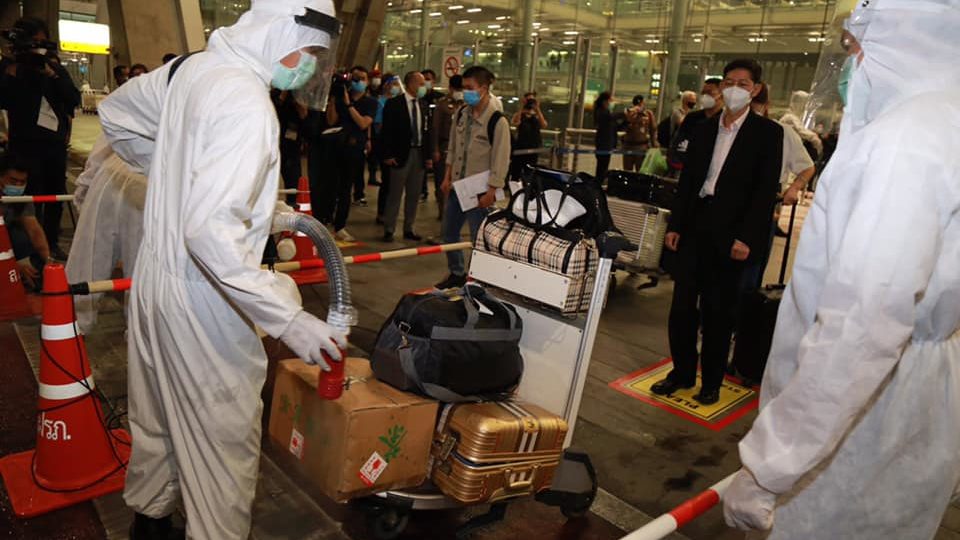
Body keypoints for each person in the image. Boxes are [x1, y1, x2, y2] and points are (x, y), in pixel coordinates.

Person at [97, 2, 347, 538]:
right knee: (222, 446)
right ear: (280, 31)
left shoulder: (192, 69)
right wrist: (289, 319)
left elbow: (116, 114)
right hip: (205, 298)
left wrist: (184, 180)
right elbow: (210, 234)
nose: (308, 65)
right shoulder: (247, 103)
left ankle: (150, 524)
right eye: (308, 50)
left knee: (157, 418)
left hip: (155, 282)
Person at [723, 3, 960, 538]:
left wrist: (768, 469)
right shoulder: (949, 123)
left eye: (855, 50)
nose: (851, 67)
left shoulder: (906, 142)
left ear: (904, 42)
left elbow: (862, 326)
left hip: (860, 425)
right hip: (920, 407)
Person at [652, 58, 783, 405]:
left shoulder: (768, 133)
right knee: (682, 307)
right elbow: (688, 181)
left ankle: (711, 380)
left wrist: (747, 238)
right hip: (695, 224)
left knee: (718, 311)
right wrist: (676, 225)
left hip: (731, 233)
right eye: (729, 83)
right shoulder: (705, 127)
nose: (734, 89)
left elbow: (764, 192)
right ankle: (682, 372)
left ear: (755, 89)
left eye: (743, 83)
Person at [0, 17, 81, 261]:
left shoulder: (53, 67)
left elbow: (73, 99)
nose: (37, 48)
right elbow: (4, 99)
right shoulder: (10, 67)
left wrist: (53, 74)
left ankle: (51, 242)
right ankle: (25, 247)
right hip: (24, 146)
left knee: (55, 196)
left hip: (54, 146)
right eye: (33, 42)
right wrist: (12, 70)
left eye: (41, 42)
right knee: (26, 200)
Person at [435, 65, 510, 290]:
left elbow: (501, 159)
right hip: (458, 187)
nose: (465, 92)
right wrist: (447, 176)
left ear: (484, 89)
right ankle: (457, 272)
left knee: (479, 238)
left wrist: (492, 191)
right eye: (464, 88)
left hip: (480, 191)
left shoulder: (497, 121)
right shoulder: (461, 114)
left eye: (470, 88)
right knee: (449, 233)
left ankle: (476, 279)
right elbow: (453, 148)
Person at [739, 82, 815, 291]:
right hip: (731, 202)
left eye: (756, 104)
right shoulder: (728, 128)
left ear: (766, 105)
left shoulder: (782, 131)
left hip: (764, 204)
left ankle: (741, 306)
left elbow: (807, 167)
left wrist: (794, 188)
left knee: (750, 268)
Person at [325, 64, 376, 240]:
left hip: (354, 149)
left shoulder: (370, 102)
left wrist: (348, 105)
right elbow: (331, 121)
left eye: (362, 79)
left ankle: (340, 225)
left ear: (367, 82)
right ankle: (326, 220)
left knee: (346, 189)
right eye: (355, 78)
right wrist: (333, 99)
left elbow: (363, 123)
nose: (358, 82)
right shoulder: (340, 98)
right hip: (335, 147)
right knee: (330, 186)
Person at [380, 70, 432, 242]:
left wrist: (428, 156)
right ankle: (389, 228)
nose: (423, 87)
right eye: (421, 83)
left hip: (419, 153)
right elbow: (387, 131)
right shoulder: (394, 104)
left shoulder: (423, 105)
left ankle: (409, 227)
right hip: (400, 153)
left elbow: (427, 132)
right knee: (395, 193)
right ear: (410, 84)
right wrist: (387, 154)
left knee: (414, 194)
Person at [0, 154, 49, 291]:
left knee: (20, 235)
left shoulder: (22, 199)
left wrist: (49, 263)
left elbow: (34, 231)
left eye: (22, 182)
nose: (18, 186)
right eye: (13, 181)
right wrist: (13, 267)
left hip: (9, 245)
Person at [668, 77, 723, 174]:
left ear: (722, 94)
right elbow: (680, 142)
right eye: (703, 93)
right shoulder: (692, 118)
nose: (705, 96)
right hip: (688, 168)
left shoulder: (725, 120)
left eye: (709, 93)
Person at [431, 74, 463, 219]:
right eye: (457, 89)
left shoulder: (466, 105)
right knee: (442, 180)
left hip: (461, 148)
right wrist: (435, 149)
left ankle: (457, 211)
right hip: (444, 145)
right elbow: (435, 128)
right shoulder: (442, 104)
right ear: (450, 88)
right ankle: (443, 211)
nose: (459, 92)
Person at [272, 88, 307, 205]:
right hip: (275, 142)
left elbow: (305, 116)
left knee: (293, 181)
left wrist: (297, 101)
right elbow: (274, 110)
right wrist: (284, 93)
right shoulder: (276, 93)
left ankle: (292, 204)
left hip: (292, 145)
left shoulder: (300, 95)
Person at [375, 74, 402, 224]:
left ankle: (390, 212)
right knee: (387, 181)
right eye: (394, 84)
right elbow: (379, 126)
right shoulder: (380, 102)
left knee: (394, 183)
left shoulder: (398, 102)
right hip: (385, 144)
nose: (396, 87)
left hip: (398, 146)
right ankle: (382, 212)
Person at [510, 91, 547, 180]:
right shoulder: (520, 114)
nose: (530, 102)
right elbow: (516, 122)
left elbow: (544, 125)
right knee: (516, 172)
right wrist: (521, 107)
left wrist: (537, 109)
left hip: (533, 148)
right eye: (528, 100)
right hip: (520, 147)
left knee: (530, 173)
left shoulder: (537, 115)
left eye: (532, 100)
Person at [419, 69, 443, 202]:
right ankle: (422, 191)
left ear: (433, 81)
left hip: (436, 135)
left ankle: (439, 193)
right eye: (424, 79)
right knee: (421, 164)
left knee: (438, 168)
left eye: (428, 79)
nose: (426, 82)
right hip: (422, 134)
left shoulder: (440, 98)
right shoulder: (419, 96)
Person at [593, 91, 624, 182]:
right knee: (601, 168)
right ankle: (598, 184)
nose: (610, 103)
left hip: (608, 145)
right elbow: (610, 117)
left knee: (603, 168)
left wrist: (627, 121)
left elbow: (616, 127)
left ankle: (599, 182)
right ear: (604, 101)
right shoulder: (601, 112)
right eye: (609, 101)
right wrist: (624, 114)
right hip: (603, 144)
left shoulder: (606, 113)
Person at [622, 94, 658, 172]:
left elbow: (653, 129)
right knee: (628, 171)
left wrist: (654, 143)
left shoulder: (648, 114)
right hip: (629, 146)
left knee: (640, 171)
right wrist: (633, 114)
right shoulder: (629, 112)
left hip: (641, 147)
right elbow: (624, 125)